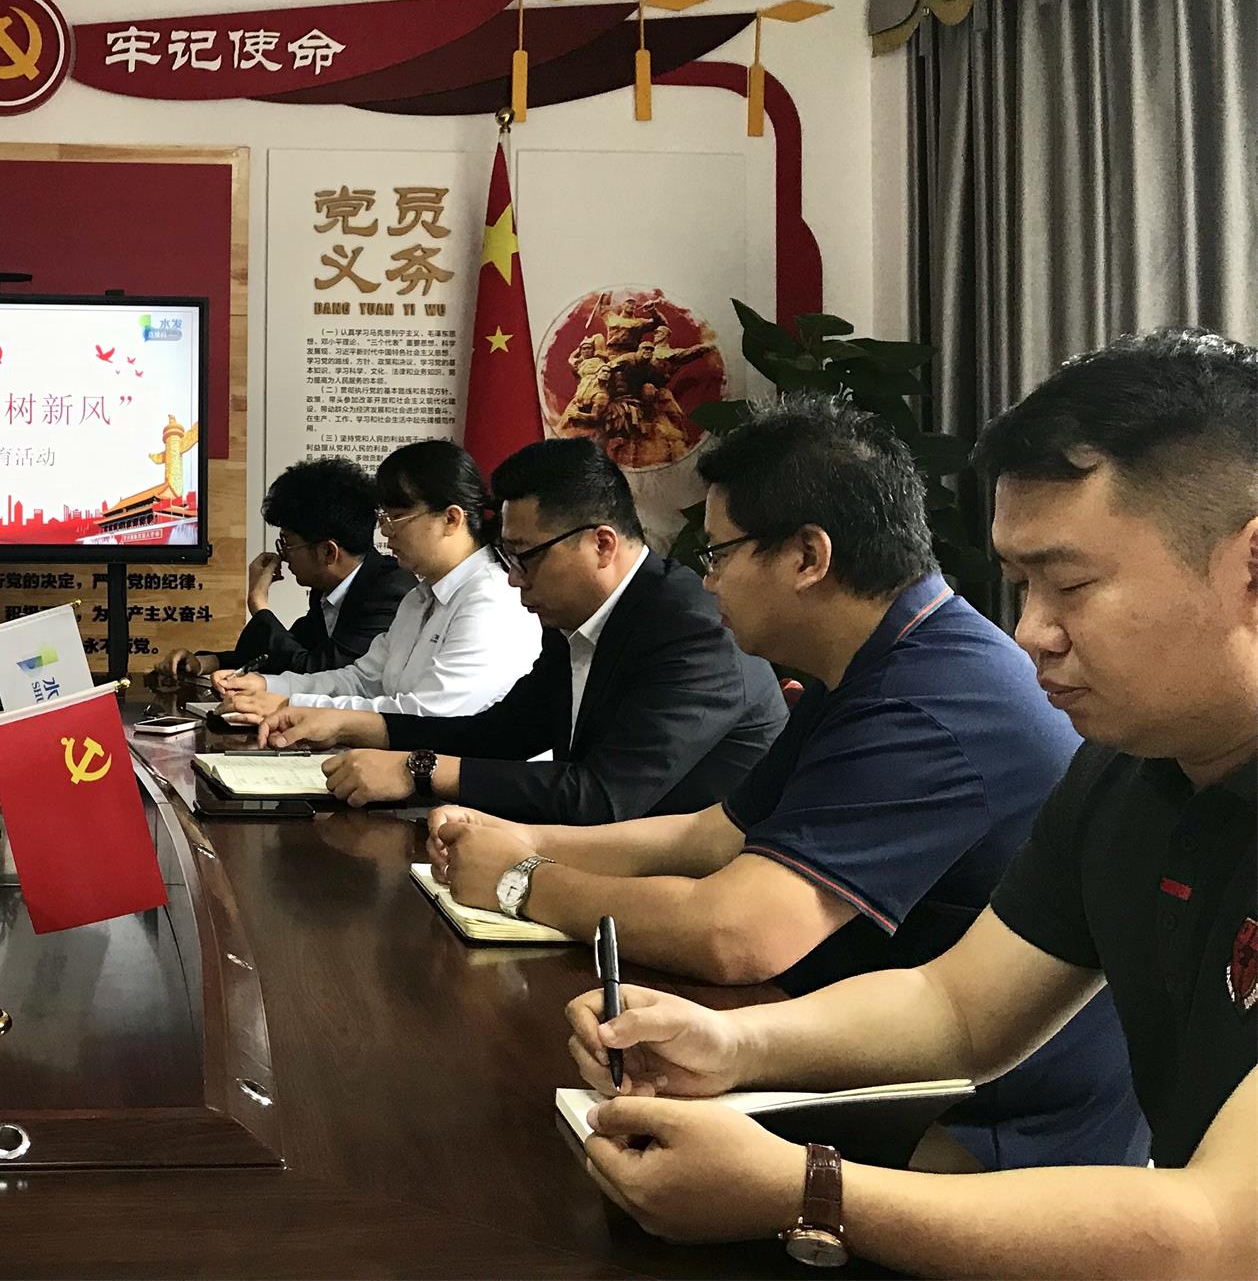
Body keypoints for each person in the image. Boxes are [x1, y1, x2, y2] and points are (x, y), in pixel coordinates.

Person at [558, 332, 1254, 1273]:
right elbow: (957, 1006)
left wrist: (808, 1189)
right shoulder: (1126, 769)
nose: (1031, 632)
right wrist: (729, 1040)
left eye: (1071, 584)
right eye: (1022, 585)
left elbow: (1220, 1229)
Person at [428, 397, 1142, 1170]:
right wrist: (524, 837)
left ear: (808, 556)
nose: (708, 581)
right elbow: (714, 832)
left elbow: (738, 933)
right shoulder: (878, 656)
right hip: (882, 1051)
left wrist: (523, 880)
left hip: (989, 1125)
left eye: (719, 553)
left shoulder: (933, 698)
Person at [259, 438, 785, 817]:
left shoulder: (692, 631)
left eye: (525, 557)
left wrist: (418, 769)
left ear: (601, 544)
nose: (513, 579)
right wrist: (345, 725)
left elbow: (601, 796)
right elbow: (497, 734)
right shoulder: (576, 620)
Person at [213, 440, 542, 722]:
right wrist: (269, 686)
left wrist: (290, 704)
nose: (384, 531)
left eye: (397, 517)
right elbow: (362, 680)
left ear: (451, 519)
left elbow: (426, 715)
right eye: (384, 517)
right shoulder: (419, 598)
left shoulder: (490, 600)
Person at [170, 456, 410, 683]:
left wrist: (258, 603)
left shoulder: (389, 593)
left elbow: (316, 671)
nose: (283, 555)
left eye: (288, 543)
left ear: (328, 552)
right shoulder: (328, 588)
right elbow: (288, 650)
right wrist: (208, 662)